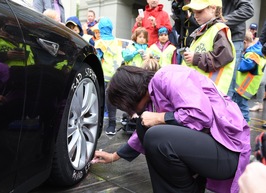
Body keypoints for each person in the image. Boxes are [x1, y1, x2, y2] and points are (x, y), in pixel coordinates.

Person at [92, 64, 250, 193]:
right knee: (145, 127)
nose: (129, 112)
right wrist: (114, 156)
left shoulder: (167, 77)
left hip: (228, 153)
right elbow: (139, 137)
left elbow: (200, 115)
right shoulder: (153, 96)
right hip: (211, 149)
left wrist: (159, 118)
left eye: (126, 106)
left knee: (155, 135)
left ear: (131, 94)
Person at [181, 0, 236, 95]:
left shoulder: (218, 29)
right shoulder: (205, 31)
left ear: (213, 8)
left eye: (199, 11)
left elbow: (223, 57)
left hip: (211, 92)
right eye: (193, 12)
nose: (195, 16)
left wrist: (195, 58)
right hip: (202, 90)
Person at [94, 17, 123, 135]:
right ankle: (109, 124)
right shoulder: (102, 42)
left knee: (105, 100)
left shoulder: (103, 42)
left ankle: (109, 124)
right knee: (109, 100)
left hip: (106, 75)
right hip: (110, 75)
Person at [222, 0, 254, 98]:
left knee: (227, 85)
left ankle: (226, 112)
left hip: (232, 38)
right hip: (217, 36)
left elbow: (248, 9)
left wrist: (222, 21)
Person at [232, 31, 266, 122]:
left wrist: (238, 62)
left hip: (244, 87)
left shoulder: (252, 53)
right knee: (239, 106)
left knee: (242, 107)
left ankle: (246, 125)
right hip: (245, 87)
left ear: (244, 42)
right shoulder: (257, 51)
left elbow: (247, 66)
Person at [250, 20, 266, 113]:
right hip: (263, 53)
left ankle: (259, 103)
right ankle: (259, 104)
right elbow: (263, 36)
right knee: (261, 81)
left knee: (262, 81)